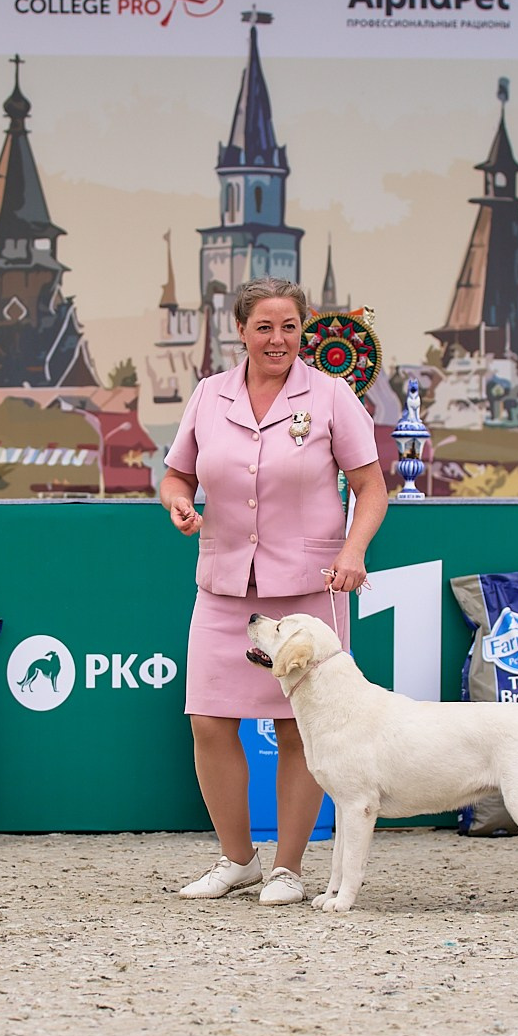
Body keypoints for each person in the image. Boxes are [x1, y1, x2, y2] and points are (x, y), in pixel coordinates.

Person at [160, 278, 388, 905]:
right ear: (242, 331)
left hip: (308, 588)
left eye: (289, 327)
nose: (278, 339)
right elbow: (176, 474)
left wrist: (353, 551)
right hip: (224, 583)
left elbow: (371, 488)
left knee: (296, 729)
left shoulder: (334, 395)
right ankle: (238, 860)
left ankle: (288, 868)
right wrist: (179, 503)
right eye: (264, 327)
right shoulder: (209, 395)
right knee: (208, 720)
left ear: (304, 330)